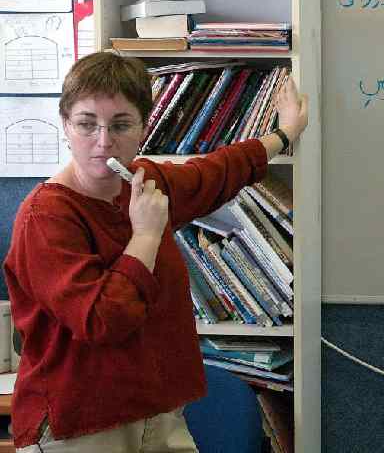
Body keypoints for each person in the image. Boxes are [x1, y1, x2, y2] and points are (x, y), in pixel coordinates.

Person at [3, 52, 309, 452]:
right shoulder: (44, 217)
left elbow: (216, 171)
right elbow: (102, 321)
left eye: (121, 124)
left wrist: (284, 134)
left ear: (144, 127)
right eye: (86, 124)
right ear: (65, 126)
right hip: (80, 425)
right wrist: (145, 237)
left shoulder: (147, 182)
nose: (103, 141)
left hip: (158, 411)